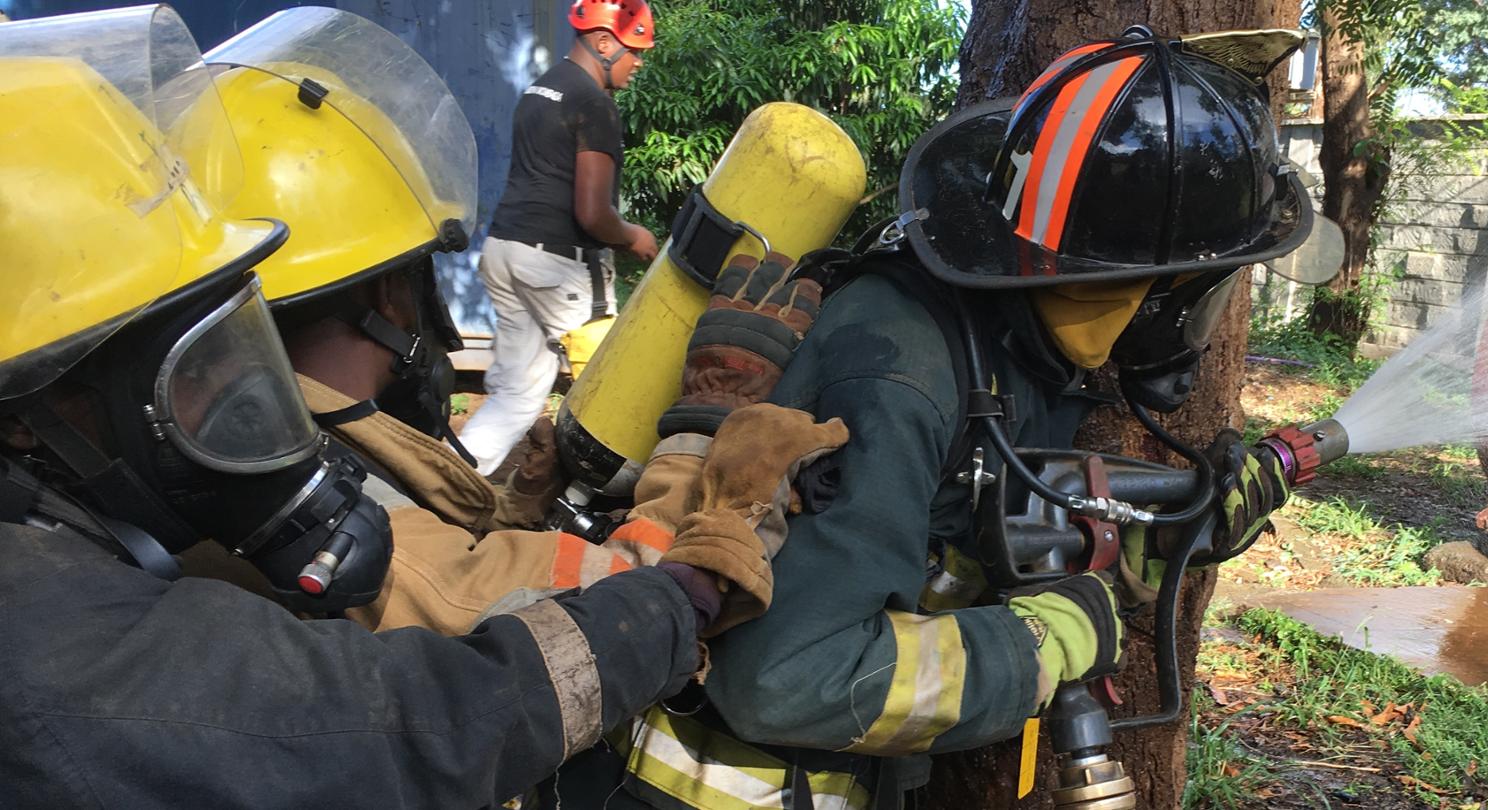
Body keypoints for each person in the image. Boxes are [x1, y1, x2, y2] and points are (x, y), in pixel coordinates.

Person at [0, 9, 840, 807]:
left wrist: (520, 504)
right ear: (392, 297)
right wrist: (704, 429)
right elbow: (560, 640)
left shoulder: (85, 516)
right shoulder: (305, 512)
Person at [577, 28, 1327, 809]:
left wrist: (1156, 541)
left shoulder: (1026, 343)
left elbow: (975, 540)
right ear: (1151, 285)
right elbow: (784, 679)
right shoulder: (903, 370)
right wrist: (1041, 644)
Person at [459, 0, 662, 476]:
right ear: (605, 42)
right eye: (635, 50)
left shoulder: (541, 88)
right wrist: (633, 236)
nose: (639, 62)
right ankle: (623, 490)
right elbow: (592, 214)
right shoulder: (594, 103)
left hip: (505, 249)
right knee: (613, 377)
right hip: (556, 263)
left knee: (519, 391)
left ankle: (449, 482)